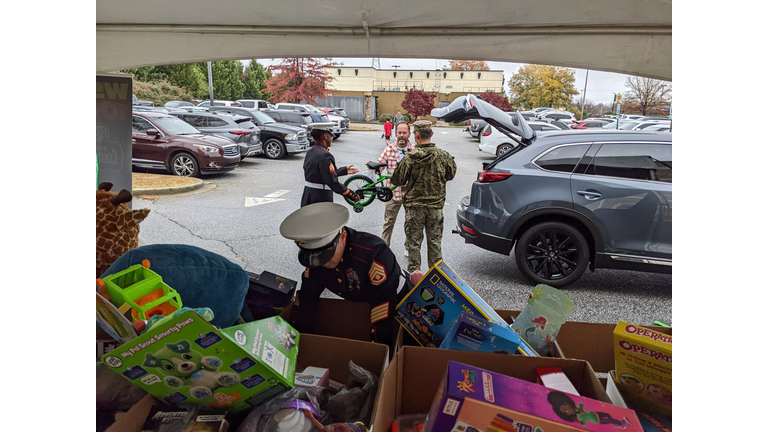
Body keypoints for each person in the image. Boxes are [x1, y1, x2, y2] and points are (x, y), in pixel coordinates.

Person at [279, 202, 423, 350]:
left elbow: (382, 311)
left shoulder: (374, 254)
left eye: (327, 255)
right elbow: (307, 300)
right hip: (363, 302)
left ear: (342, 236)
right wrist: (299, 342)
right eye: (317, 258)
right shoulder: (318, 261)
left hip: (403, 306)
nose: (324, 263)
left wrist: (379, 354)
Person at [391, 120, 457, 273]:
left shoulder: (410, 157)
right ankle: (437, 280)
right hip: (435, 208)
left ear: (416, 135)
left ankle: (414, 281)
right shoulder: (444, 156)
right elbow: (451, 175)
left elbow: (397, 180)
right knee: (435, 245)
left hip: (415, 209)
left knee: (413, 245)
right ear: (432, 134)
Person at [370, 122, 415, 246]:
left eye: (404, 133)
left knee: (411, 222)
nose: (401, 135)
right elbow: (380, 165)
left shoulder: (414, 151)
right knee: (388, 222)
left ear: (409, 134)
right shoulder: (389, 149)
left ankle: (409, 246)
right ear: (396, 134)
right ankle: (385, 247)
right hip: (392, 191)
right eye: (399, 133)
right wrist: (373, 166)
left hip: (409, 193)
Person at [301, 124, 360, 207]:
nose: (331, 138)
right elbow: (332, 181)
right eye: (331, 136)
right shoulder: (325, 155)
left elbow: (321, 173)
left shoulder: (311, 152)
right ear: (325, 136)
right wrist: (351, 194)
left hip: (308, 195)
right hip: (320, 197)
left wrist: (344, 170)